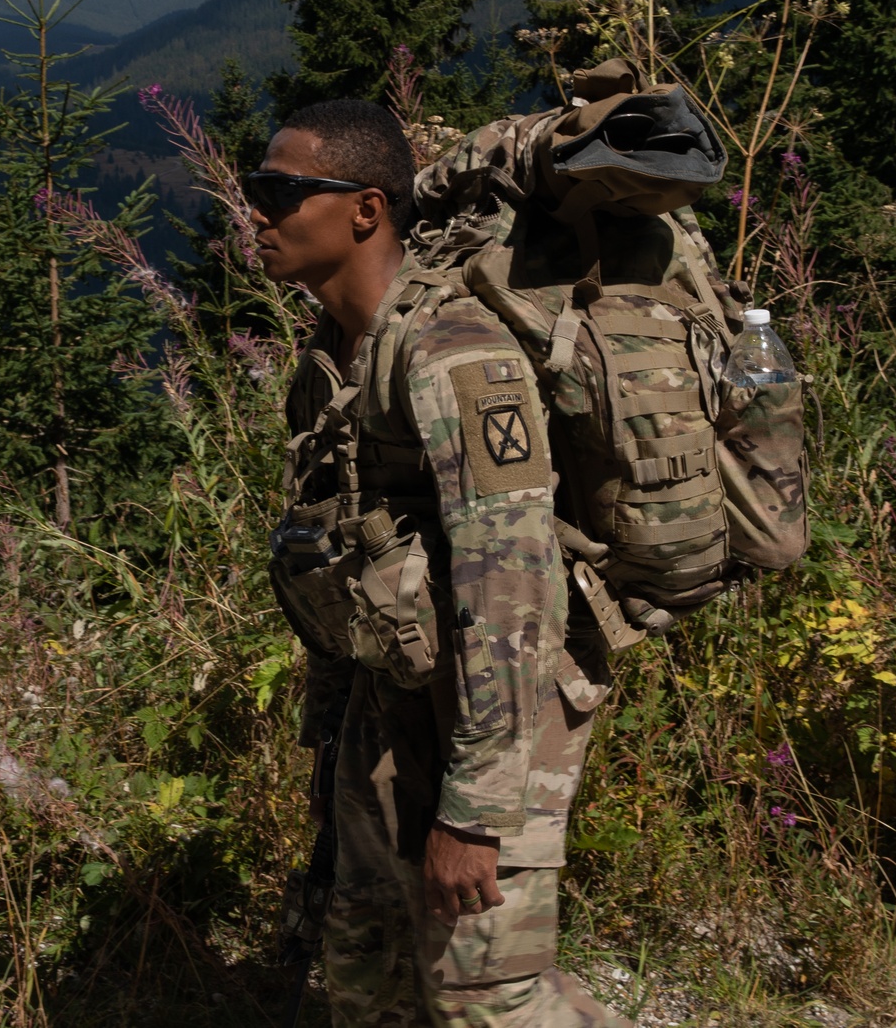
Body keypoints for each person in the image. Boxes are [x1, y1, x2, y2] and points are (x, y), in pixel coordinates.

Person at [251, 98, 632, 1028]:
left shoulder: (453, 352)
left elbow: (515, 589)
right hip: (397, 698)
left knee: (484, 994)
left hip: (504, 708)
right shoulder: (331, 359)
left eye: (280, 192)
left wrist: (476, 813)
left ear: (365, 211)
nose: (256, 215)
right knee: (367, 964)